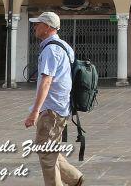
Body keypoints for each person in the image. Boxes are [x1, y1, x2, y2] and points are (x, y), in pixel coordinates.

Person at [23, 12, 84, 186]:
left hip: (52, 109)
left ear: (48, 27)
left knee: (47, 155)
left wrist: (34, 112)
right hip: (60, 106)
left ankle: (72, 178)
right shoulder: (64, 46)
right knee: (48, 148)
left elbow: (46, 81)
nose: (35, 27)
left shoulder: (51, 49)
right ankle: (74, 178)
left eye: (38, 24)